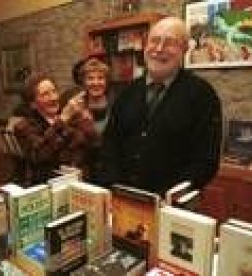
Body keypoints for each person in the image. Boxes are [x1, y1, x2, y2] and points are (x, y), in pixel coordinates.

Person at [101, 17, 222, 196]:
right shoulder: (127, 93)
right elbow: (110, 146)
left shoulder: (203, 95)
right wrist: (114, 188)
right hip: (123, 200)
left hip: (172, 209)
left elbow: (205, 162)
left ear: (185, 49)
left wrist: (166, 198)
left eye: (170, 43)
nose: (159, 49)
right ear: (145, 45)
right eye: (155, 41)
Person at [13, 72, 96, 186]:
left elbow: (91, 145)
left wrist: (84, 119)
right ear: (33, 104)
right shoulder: (24, 126)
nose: (54, 97)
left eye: (54, 91)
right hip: (47, 189)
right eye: (45, 94)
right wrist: (63, 118)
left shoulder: (71, 119)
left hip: (77, 186)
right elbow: (39, 154)